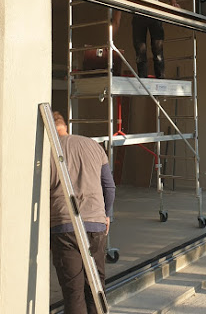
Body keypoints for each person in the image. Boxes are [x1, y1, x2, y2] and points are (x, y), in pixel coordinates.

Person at [50, 111, 116, 314]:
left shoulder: (49, 151)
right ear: (65, 126)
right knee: (96, 289)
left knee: (74, 292)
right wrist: (106, 214)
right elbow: (109, 187)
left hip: (64, 226)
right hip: (95, 224)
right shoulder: (93, 146)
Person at [112, 0, 179, 79]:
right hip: (138, 19)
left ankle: (160, 79)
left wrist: (173, 2)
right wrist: (110, 39)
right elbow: (116, 21)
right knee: (140, 53)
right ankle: (143, 79)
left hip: (153, 16)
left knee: (157, 51)